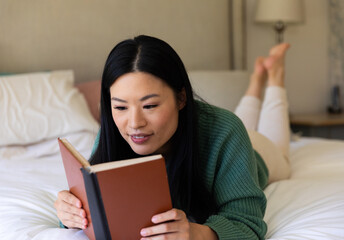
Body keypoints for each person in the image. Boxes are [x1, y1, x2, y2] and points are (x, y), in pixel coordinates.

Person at [54, 35, 291, 240]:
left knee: (277, 147)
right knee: (242, 120)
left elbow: (248, 224)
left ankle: (275, 77)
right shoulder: (117, 131)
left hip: (259, 154)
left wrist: (197, 233)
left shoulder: (226, 130)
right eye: (121, 107)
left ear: (181, 98)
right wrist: (70, 213)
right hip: (220, 129)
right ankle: (256, 81)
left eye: (150, 105)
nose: (135, 124)